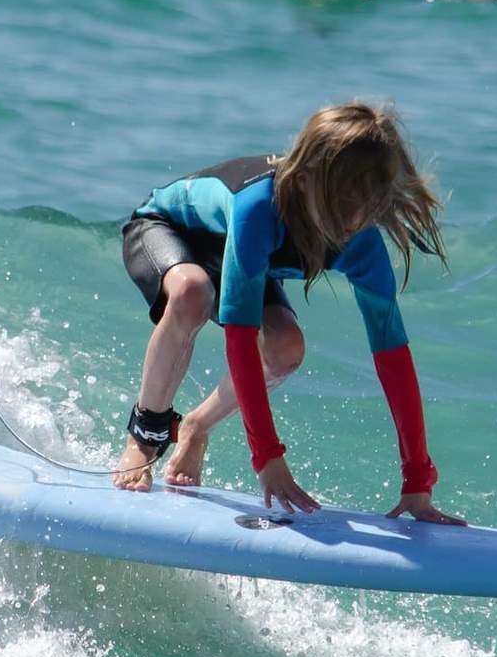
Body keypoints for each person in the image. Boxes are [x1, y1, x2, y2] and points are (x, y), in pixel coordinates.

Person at [114, 102, 465, 525]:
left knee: (286, 348)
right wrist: (267, 456)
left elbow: (394, 361)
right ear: (303, 181)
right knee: (192, 292)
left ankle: (195, 426)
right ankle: (144, 437)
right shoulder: (258, 208)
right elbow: (240, 340)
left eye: (368, 205)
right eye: (343, 203)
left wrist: (417, 481)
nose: (354, 220)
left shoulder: (361, 241)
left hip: (238, 253)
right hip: (166, 229)